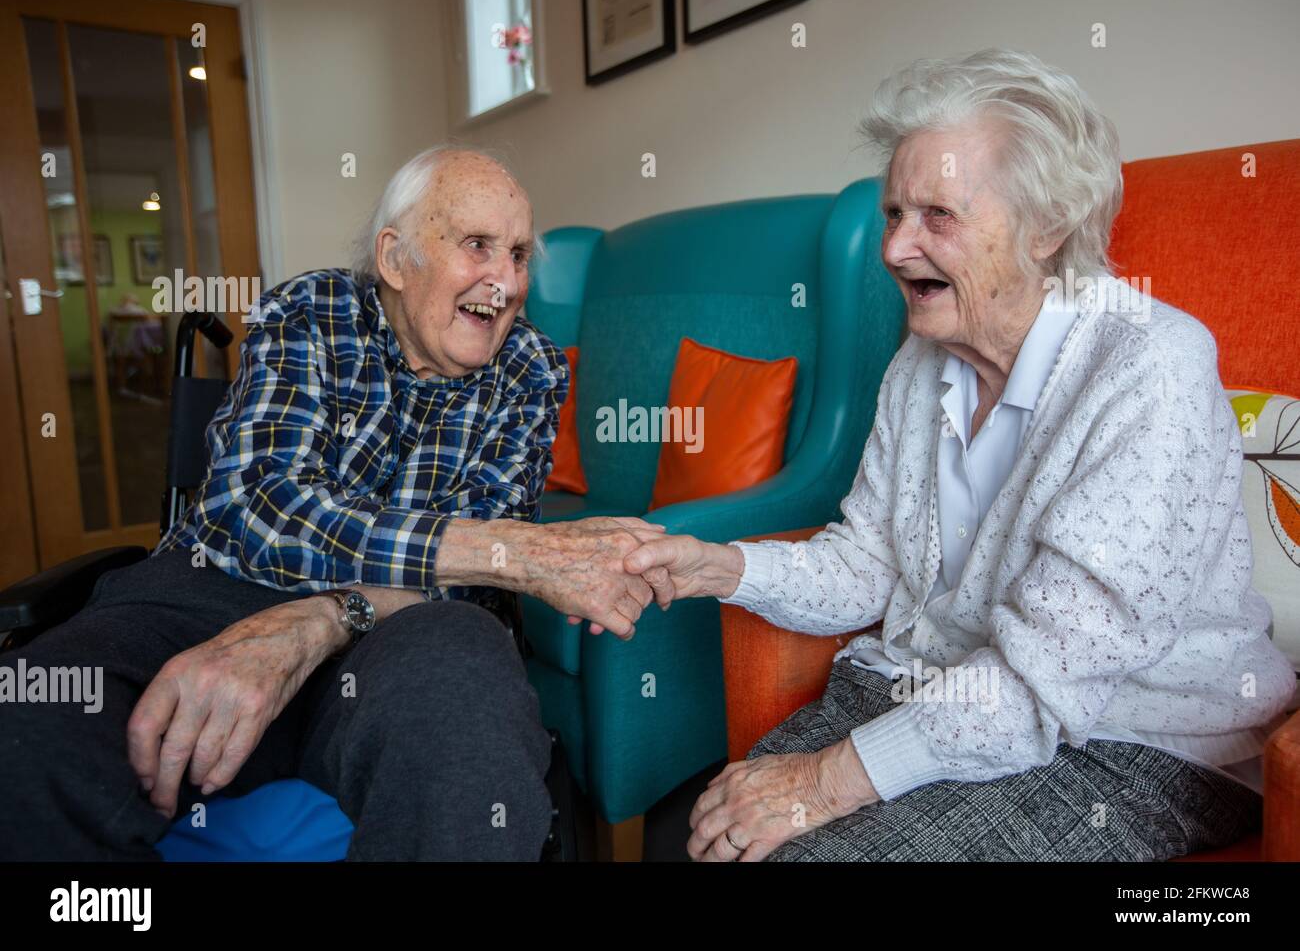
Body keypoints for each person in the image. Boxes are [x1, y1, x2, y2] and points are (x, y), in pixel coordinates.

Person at [623, 49, 1297, 862]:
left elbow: (1043, 681)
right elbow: (867, 562)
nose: (896, 250)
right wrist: (719, 567)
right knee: (715, 841)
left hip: (1126, 741)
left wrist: (821, 784)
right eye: (893, 213)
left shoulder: (1149, 367)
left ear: (1047, 228)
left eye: (937, 216)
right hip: (928, 685)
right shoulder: (919, 368)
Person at [0, 147, 670, 861]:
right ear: (394, 257)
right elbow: (257, 505)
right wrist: (522, 552)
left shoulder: (529, 367)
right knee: (30, 720)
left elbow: (474, 581)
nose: (505, 283)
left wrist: (325, 617)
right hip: (210, 595)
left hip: (406, 630)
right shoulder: (311, 311)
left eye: (517, 255)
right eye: (477, 246)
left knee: (464, 702)